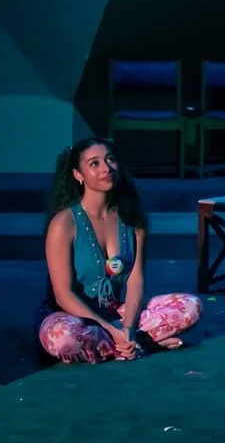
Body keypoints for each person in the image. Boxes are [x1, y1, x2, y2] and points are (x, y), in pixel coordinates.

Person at [37, 137, 202, 363]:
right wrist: (110, 329)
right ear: (78, 175)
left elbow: (135, 282)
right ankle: (138, 344)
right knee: (63, 339)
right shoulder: (64, 223)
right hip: (72, 317)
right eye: (94, 164)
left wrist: (128, 327)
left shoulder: (133, 220)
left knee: (190, 306)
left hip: (117, 315)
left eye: (110, 160)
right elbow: (63, 294)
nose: (106, 168)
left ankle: (121, 344)